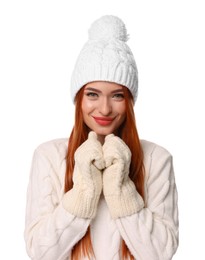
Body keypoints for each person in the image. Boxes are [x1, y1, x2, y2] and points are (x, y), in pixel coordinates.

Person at [24, 15, 179, 260]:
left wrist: (122, 191)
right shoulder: (49, 156)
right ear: (79, 99)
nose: (104, 109)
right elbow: (40, 253)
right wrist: (83, 192)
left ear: (129, 101)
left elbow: (160, 254)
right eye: (93, 94)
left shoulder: (156, 158)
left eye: (117, 96)